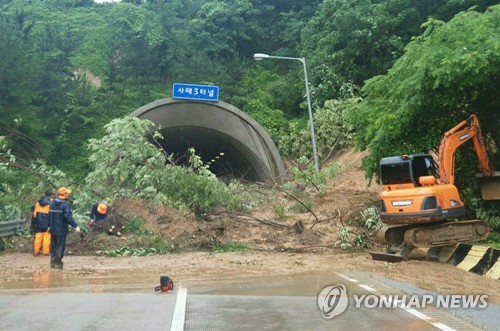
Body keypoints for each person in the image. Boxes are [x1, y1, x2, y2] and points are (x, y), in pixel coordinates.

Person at [49, 187, 80, 269]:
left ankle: (52, 263)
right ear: (64, 195)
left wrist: (48, 226)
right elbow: (68, 217)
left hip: (52, 229)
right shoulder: (65, 205)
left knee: (53, 246)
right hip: (61, 229)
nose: (68, 195)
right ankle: (58, 264)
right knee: (60, 246)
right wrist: (75, 226)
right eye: (67, 194)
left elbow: (48, 216)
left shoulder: (52, 203)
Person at [30, 190, 53, 255]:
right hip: (47, 224)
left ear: (44, 194)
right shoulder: (50, 204)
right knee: (47, 238)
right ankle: (45, 252)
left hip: (38, 223)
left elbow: (34, 215)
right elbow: (51, 216)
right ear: (51, 196)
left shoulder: (37, 204)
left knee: (38, 238)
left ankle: (36, 251)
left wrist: (33, 224)